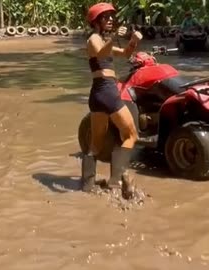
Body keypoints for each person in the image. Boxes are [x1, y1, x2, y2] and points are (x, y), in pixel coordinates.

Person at [81, 2, 143, 199]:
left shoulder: (103, 41)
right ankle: (116, 180)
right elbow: (100, 52)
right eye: (105, 17)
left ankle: (87, 186)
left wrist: (133, 41)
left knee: (96, 144)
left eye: (110, 17)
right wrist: (116, 36)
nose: (110, 20)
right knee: (131, 135)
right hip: (106, 91)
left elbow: (125, 54)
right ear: (96, 21)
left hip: (98, 95)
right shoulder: (93, 39)